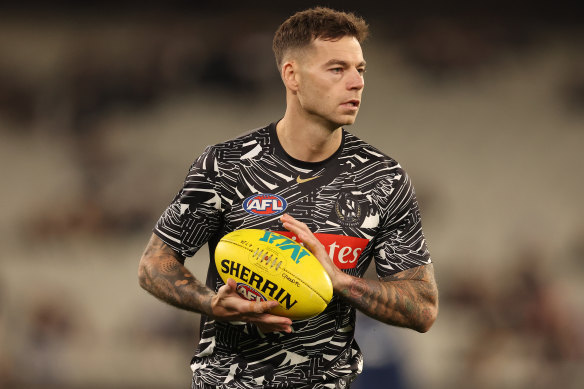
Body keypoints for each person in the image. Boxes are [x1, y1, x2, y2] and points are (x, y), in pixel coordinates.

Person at [138, 7, 438, 389]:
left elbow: (424, 309)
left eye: (360, 70)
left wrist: (340, 282)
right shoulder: (226, 165)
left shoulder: (383, 179)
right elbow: (154, 264)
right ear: (291, 75)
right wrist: (209, 302)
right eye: (337, 69)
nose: (356, 82)